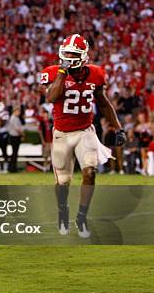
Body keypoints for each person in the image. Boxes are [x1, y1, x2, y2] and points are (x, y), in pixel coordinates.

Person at [42, 34, 125, 238]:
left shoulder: (95, 74)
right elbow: (51, 97)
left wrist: (118, 127)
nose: (68, 56)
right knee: (63, 182)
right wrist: (62, 73)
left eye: (72, 54)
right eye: (66, 53)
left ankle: (81, 217)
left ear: (83, 56)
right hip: (61, 133)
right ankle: (63, 211)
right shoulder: (53, 72)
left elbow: (103, 103)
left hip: (85, 131)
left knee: (90, 172)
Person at [7, 107, 23, 173]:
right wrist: (22, 134)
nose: (19, 113)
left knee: (14, 153)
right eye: (18, 111)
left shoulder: (13, 118)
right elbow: (17, 129)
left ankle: (12, 167)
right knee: (14, 153)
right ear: (15, 111)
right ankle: (12, 168)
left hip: (14, 136)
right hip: (14, 137)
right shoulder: (14, 118)